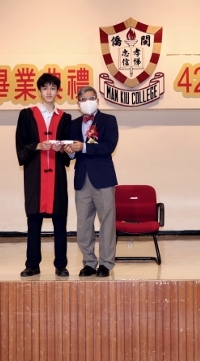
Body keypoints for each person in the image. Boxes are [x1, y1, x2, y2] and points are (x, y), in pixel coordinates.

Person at [16, 73, 72, 277]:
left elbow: (68, 147)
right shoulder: (27, 115)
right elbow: (20, 143)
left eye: (53, 88)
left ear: (58, 91)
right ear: (39, 91)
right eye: (45, 88)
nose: (49, 92)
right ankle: (32, 264)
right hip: (35, 175)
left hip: (57, 176)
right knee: (34, 221)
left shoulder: (65, 117)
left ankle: (61, 264)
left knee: (60, 221)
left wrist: (62, 148)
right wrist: (38, 146)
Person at [64, 86, 119, 278]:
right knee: (84, 223)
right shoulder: (73, 124)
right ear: (78, 104)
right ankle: (89, 262)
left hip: (103, 178)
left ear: (97, 100)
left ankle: (106, 263)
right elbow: (72, 151)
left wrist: (85, 147)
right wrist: (70, 153)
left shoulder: (108, 120)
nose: (88, 102)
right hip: (82, 178)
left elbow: (109, 146)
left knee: (107, 221)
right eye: (83, 99)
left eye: (91, 98)